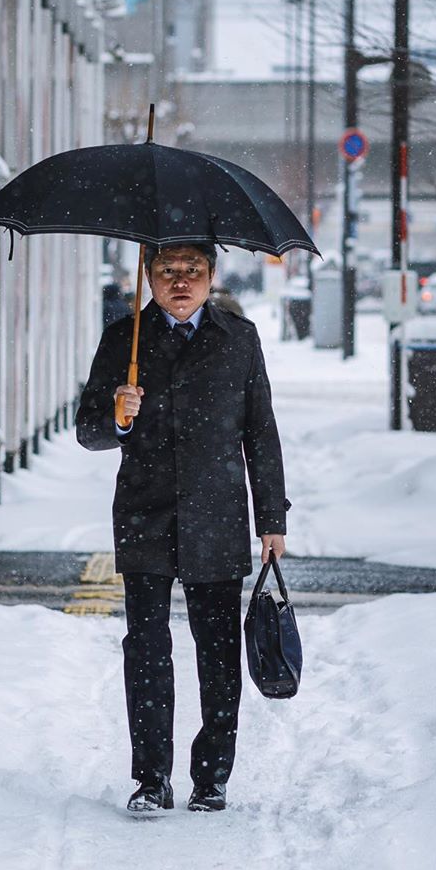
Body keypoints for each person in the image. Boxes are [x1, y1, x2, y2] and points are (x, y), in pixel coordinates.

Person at [75, 242, 289, 816]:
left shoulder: (238, 340)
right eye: (167, 270)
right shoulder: (125, 340)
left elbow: (260, 435)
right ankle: (151, 778)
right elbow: (87, 431)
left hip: (217, 515)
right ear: (149, 275)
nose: (180, 281)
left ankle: (212, 775)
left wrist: (272, 519)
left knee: (217, 652)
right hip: (144, 514)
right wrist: (116, 417)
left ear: (211, 276)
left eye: (192, 271)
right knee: (146, 650)